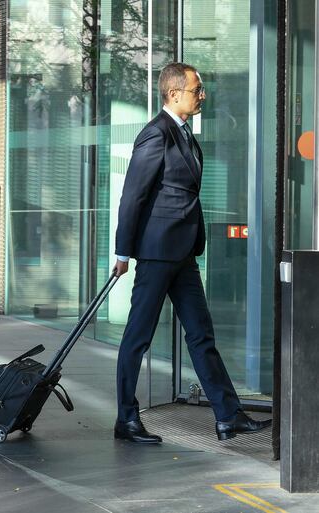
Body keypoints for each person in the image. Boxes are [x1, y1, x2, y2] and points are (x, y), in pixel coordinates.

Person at [112, 63, 271, 443]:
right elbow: (132, 197)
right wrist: (122, 251)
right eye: (197, 89)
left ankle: (228, 416)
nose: (203, 95)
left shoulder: (184, 134)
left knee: (201, 335)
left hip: (182, 253)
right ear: (173, 94)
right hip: (156, 253)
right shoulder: (156, 134)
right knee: (138, 336)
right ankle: (126, 419)